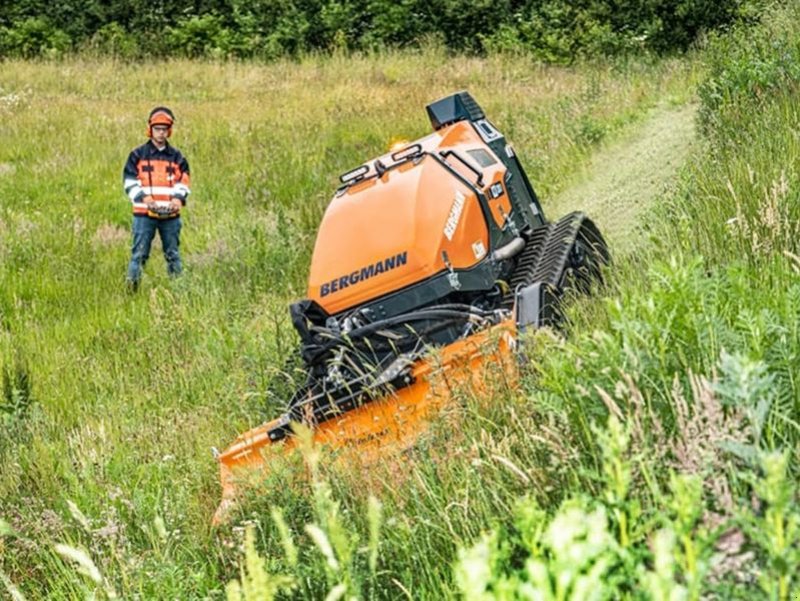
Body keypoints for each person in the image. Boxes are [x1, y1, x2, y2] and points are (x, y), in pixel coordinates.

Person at [122, 106, 191, 291]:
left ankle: (179, 293)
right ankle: (131, 293)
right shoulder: (137, 155)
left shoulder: (177, 157)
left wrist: (177, 198)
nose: (160, 133)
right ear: (150, 129)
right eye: (157, 129)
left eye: (164, 129)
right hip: (144, 214)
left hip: (171, 215)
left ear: (169, 130)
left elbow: (183, 180)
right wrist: (144, 198)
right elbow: (129, 181)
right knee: (139, 255)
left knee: (173, 255)